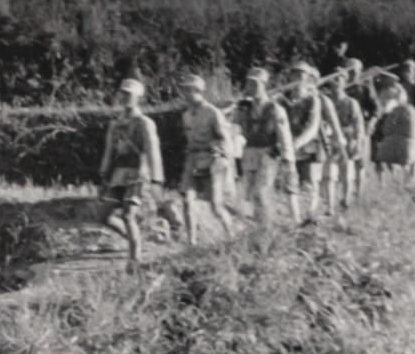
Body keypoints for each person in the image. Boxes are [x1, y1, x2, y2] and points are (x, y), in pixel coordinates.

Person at [97, 77, 164, 272]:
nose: (126, 97)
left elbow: (153, 151)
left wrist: (156, 179)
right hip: (119, 173)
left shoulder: (145, 123)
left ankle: (134, 259)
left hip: (138, 173)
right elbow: (109, 151)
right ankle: (134, 240)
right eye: (123, 93)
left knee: (128, 215)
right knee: (103, 215)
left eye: (130, 94)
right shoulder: (115, 124)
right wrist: (103, 176)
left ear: (138, 98)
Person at [178, 74, 239, 245]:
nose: (186, 94)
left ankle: (231, 235)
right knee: (187, 200)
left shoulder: (212, 112)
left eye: (190, 90)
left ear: (199, 91)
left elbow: (226, 139)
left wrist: (223, 162)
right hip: (193, 160)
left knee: (215, 205)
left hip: (212, 159)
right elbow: (189, 138)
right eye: (184, 90)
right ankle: (191, 243)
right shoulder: (186, 115)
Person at [235, 67, 299, 225]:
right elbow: (232, 127)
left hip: (268, 154)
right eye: (250, 84)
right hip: (250, 153)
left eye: (256, 85)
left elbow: (285, 137)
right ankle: (259, 226)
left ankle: (266, 227)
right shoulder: (244, 108)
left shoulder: (275, 109)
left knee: (261, 191)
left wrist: (288, 161)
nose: (252, 88)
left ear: (264, 85)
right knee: (250, 194)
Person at [281, 63, 328, 217]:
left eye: (302, 75)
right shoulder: (283, 99)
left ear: (308, 78)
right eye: (295, 74)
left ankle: (311, 214)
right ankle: (295, 218)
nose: (298, 78)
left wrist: (298, 142)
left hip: (309, 146)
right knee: (291, 183)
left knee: (310, 183)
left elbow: (313, 126)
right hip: (289, 145)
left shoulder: (313, 99)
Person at [325, 68, 369, 208]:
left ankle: (345, 199)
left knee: (346, 172)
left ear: (344, 82)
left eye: (339, 80)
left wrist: (358, 142)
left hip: (347, 140)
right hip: (329, 139)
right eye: (333, 80)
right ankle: (330, 204)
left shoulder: (351, 103)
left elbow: (359, 125)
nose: (335, 83)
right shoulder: (326, 101)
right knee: (329, 173)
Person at [371, 74, 415, 182]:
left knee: (402, 152)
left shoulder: (399, 90)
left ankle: (403, 176)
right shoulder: (384, 91)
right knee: (379, 148)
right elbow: (381, 105)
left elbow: (400, 103)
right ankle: (383, 178)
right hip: (386, 118)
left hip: (398, 119)